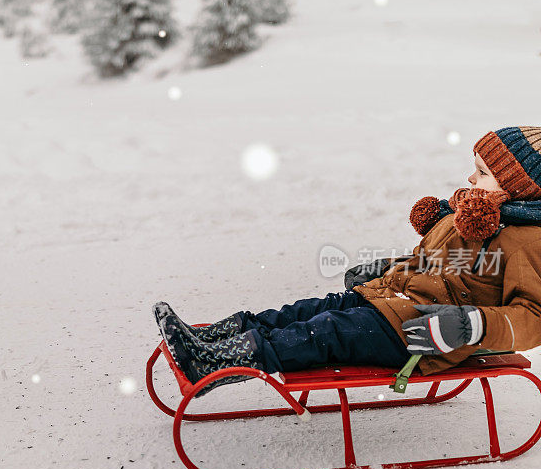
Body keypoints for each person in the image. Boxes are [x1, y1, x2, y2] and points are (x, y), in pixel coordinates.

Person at [154, 126, 541, 397]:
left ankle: (218, 364)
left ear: (519, 184)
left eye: (483, 172)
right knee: (308, 310)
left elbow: (533, 316)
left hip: (427, 333)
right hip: (392, 301)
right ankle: (212, 339)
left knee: (326, 331)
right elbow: (435, 264)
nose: (469, 179)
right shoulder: (473, 215)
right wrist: (388, 267)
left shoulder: (526, 241)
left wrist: (470, 326)